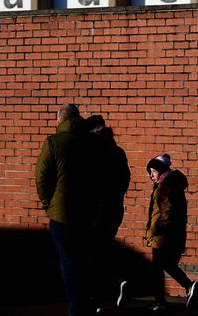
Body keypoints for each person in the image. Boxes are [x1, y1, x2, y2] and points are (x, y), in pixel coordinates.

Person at [35, 104, 101, 316]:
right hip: (89, 210)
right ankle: (90, 302)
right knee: (86, 258)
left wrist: (49, 203)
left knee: (68, 261)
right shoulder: (93, 142)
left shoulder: (54, 142)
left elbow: (42, 178)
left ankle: (76, 307)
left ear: (60, 120)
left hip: (61, 212)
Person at [83, 115, 131, 311]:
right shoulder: (118, 152)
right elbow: (125, 179)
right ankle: (115, 282)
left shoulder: (92, 151)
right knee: (102, 247)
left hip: (95, 209)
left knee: (92, 253)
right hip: (115, 208)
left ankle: (97, 298)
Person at [144, 154, 198, 311]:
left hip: (162, 235)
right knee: (168, 264)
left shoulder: (164, 187)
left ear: (161, 171)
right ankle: (189, 286)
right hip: (175, 233)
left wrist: (152, 232)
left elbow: (162, 213)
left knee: (157, 269)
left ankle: (159, 301)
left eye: (153, 172)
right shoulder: (174, 184)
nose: (151, 176)